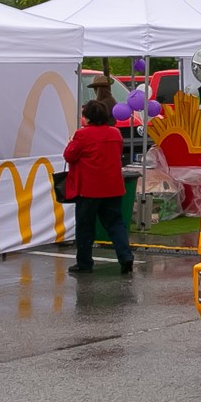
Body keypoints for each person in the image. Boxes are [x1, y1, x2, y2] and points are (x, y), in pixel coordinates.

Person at [63, 98, 133, 274]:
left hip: (89, 189)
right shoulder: (115, 133)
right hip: (113, 187)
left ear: (88, 117)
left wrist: (71, 141)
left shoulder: (82, 134)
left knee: (85, 227)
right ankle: (125, 256)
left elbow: (69, 156)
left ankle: (84, 263)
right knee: (116, 224)